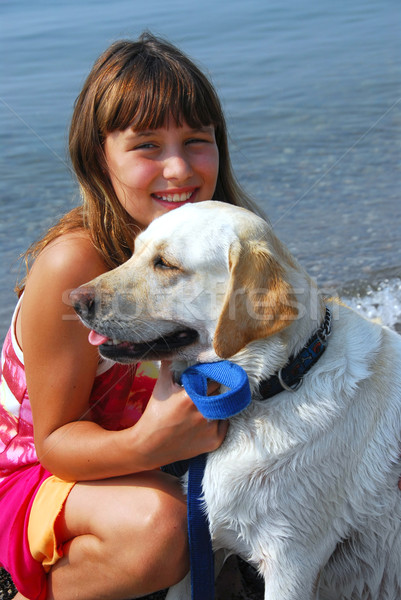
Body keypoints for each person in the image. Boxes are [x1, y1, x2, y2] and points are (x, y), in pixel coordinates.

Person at [0, 32, 264, 600]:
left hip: (163, 460)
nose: (178, 169)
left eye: (197, 140)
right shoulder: (78, 267)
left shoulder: (226, 245)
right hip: (44, 476)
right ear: (100, 156)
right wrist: (150, 444)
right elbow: (54, 443)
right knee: (161, 531)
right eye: (146, 145)